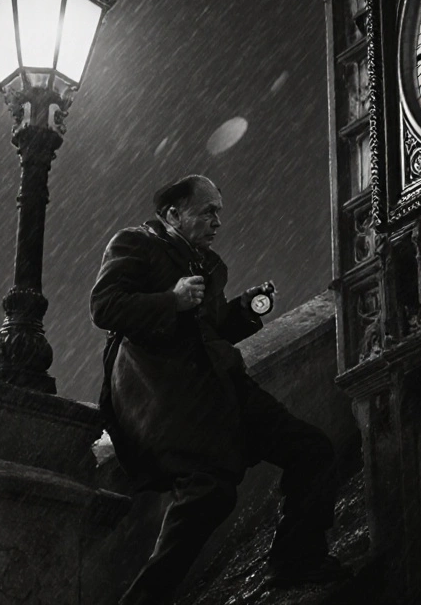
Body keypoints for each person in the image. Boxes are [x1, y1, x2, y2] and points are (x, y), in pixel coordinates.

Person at [91, 174, 349, 605]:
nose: (217, 221)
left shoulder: (207, 265)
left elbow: (208, 329)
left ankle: (296, 558)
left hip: (224, 387)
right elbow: (105, 307)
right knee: (210, 491)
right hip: (168, 394)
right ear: (173, 213)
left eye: (219, 213)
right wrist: (170, 300)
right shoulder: (134, 244)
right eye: (207, 210)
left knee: (312, 449)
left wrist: (246, 310)